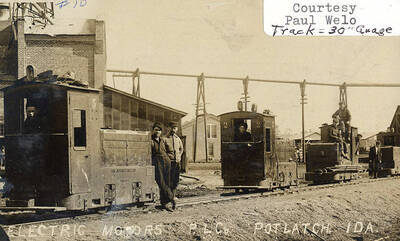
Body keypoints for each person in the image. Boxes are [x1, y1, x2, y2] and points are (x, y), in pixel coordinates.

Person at [151, 122, 174, 211]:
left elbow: (170, 151)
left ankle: (164, 203)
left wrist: (168, 158)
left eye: (159, 130)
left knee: (167, 181)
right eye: (156, 130)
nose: (157, 132)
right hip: (157, 163)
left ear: (161, 132)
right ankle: (171, 198)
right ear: (153, 130)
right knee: (161, 182)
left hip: (166, 163)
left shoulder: (163, 140)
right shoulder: (150, 141)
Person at [163, 121, 183, 209]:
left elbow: (181, 149)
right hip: (169, 163)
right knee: (168, 181)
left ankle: (173, 196)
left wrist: (179, 157)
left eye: (175, 128)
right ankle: (167, 199)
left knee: (175, 181)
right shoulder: (165, 139)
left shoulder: (178, 139)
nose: (174, 130)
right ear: (169, 128)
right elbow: (163, 151)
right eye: (172, 128)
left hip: (177, 163)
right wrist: (168, 158)